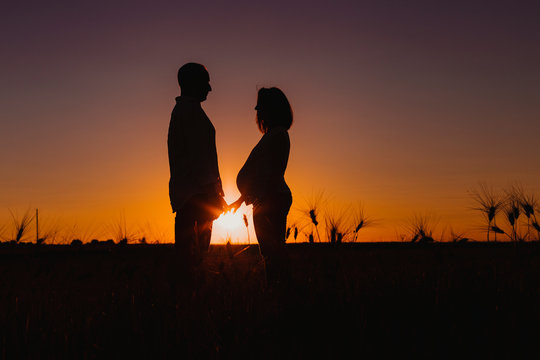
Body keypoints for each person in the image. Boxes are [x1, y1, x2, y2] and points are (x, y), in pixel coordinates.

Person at [229, 87, 293, 286]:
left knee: (272, 253)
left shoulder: (278, 135)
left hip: (270, 199)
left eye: (261, 108)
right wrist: (241, 199)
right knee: (269, 253)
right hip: (264, 199)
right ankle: (276, 291)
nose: (258, 112)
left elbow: (272, 172)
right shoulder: (271, 135)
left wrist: (263, 198)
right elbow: (259, 173)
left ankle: (278, 292)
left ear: (272, 109)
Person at [167, 62, 226, 267]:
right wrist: (213, 194)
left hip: (195, 197)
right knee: (195, 261)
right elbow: (199, 160)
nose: (209, 88)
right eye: (205, 82)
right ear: (193, 83)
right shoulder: (189, 112)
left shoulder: (186, 111)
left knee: (192, 260)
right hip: (196, 198)